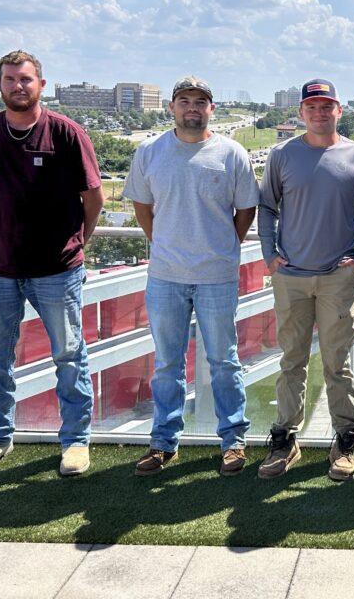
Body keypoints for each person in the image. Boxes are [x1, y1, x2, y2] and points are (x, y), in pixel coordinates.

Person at [0, 50, 104, 478]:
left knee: (69, 355)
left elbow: (93, 198)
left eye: (26, 79)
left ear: (41, 84)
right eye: (10, 79)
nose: (18, 86)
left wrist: (77, 242)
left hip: (58, 271)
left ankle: (76, 442)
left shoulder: (66, 133)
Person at [123, 76, 258, 477]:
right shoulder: (150, 151)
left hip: (217, 275)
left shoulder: (231, 153)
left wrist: (222, 248)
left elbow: (246, 210)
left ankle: (233, 440)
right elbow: (142, 207)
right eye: (185, 101)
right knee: (167, 363)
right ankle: (164, 442)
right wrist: (165, 243)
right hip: (165, 275)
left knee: (224, 361)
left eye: (201, 102)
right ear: (172, 107)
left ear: (211, 109)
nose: (192, 108)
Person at [257, 78, 354, 481]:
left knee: (336, 363)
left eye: (327, 106)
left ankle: (346, 436)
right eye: (312, 106)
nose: (320, 112)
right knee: (291, 360)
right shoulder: (282, 155)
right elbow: (266, 208)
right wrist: (270, 256)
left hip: (337, 278)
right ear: (301, 113)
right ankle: (285, 438)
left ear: (338, 111)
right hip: (290, 276)